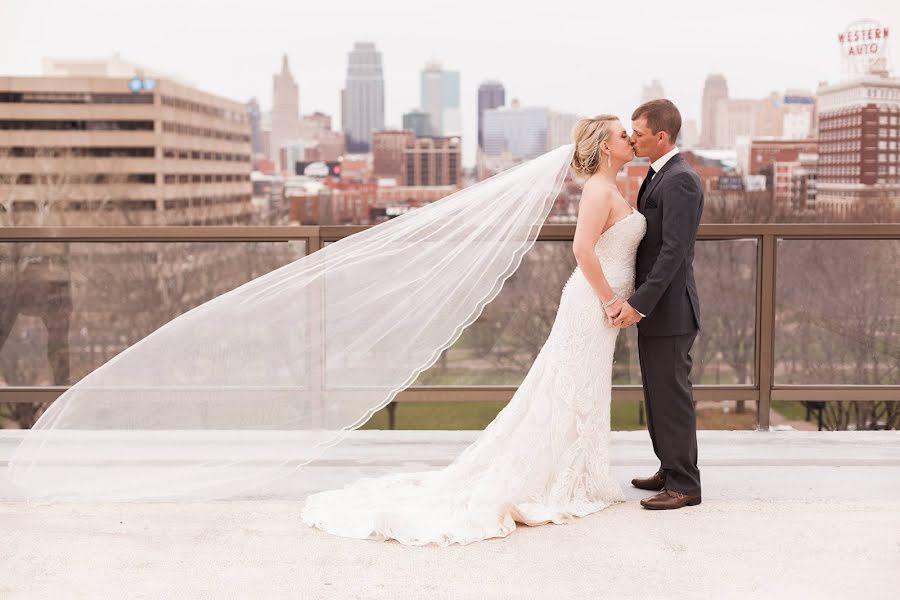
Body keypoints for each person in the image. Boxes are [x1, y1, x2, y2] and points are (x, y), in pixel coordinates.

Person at [300, 114, 648, 545]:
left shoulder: (613, 188)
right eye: (622, 134)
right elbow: (582, 249)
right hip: (592, 304)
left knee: (583, 387)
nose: (630, 138)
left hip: (602, 307)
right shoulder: (598, 191)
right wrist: (612, 300)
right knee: (569, 387)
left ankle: (578, 472)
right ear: (603, 146)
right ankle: (560, 477)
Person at [611, 99, 704, 510]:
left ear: (661, 136)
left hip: (669, 310)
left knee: (673, 396)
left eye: (639, 133)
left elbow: (673, 253)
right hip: (657, 311)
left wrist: (638, 303)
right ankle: (669, 468)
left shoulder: (680, 180)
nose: (633, 139)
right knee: (657, 395)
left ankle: (685, 484)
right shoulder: (656, 174)